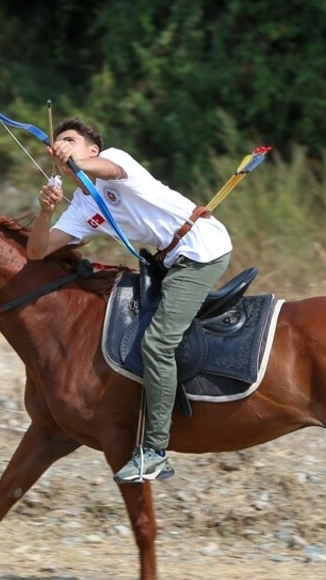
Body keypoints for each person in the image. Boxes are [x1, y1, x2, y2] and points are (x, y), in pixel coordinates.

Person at [27, 118, 232, 483]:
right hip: (171, 259)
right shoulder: (80, 208)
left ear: (92, 150)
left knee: (157, 344)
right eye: (58, 143)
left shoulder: (114, 164)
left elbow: (104, 167)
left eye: (71, 141)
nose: (62, 146)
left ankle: (154, 450)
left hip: (201, 249)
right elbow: (37, 250)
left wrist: (72, 161)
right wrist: (45, 211)